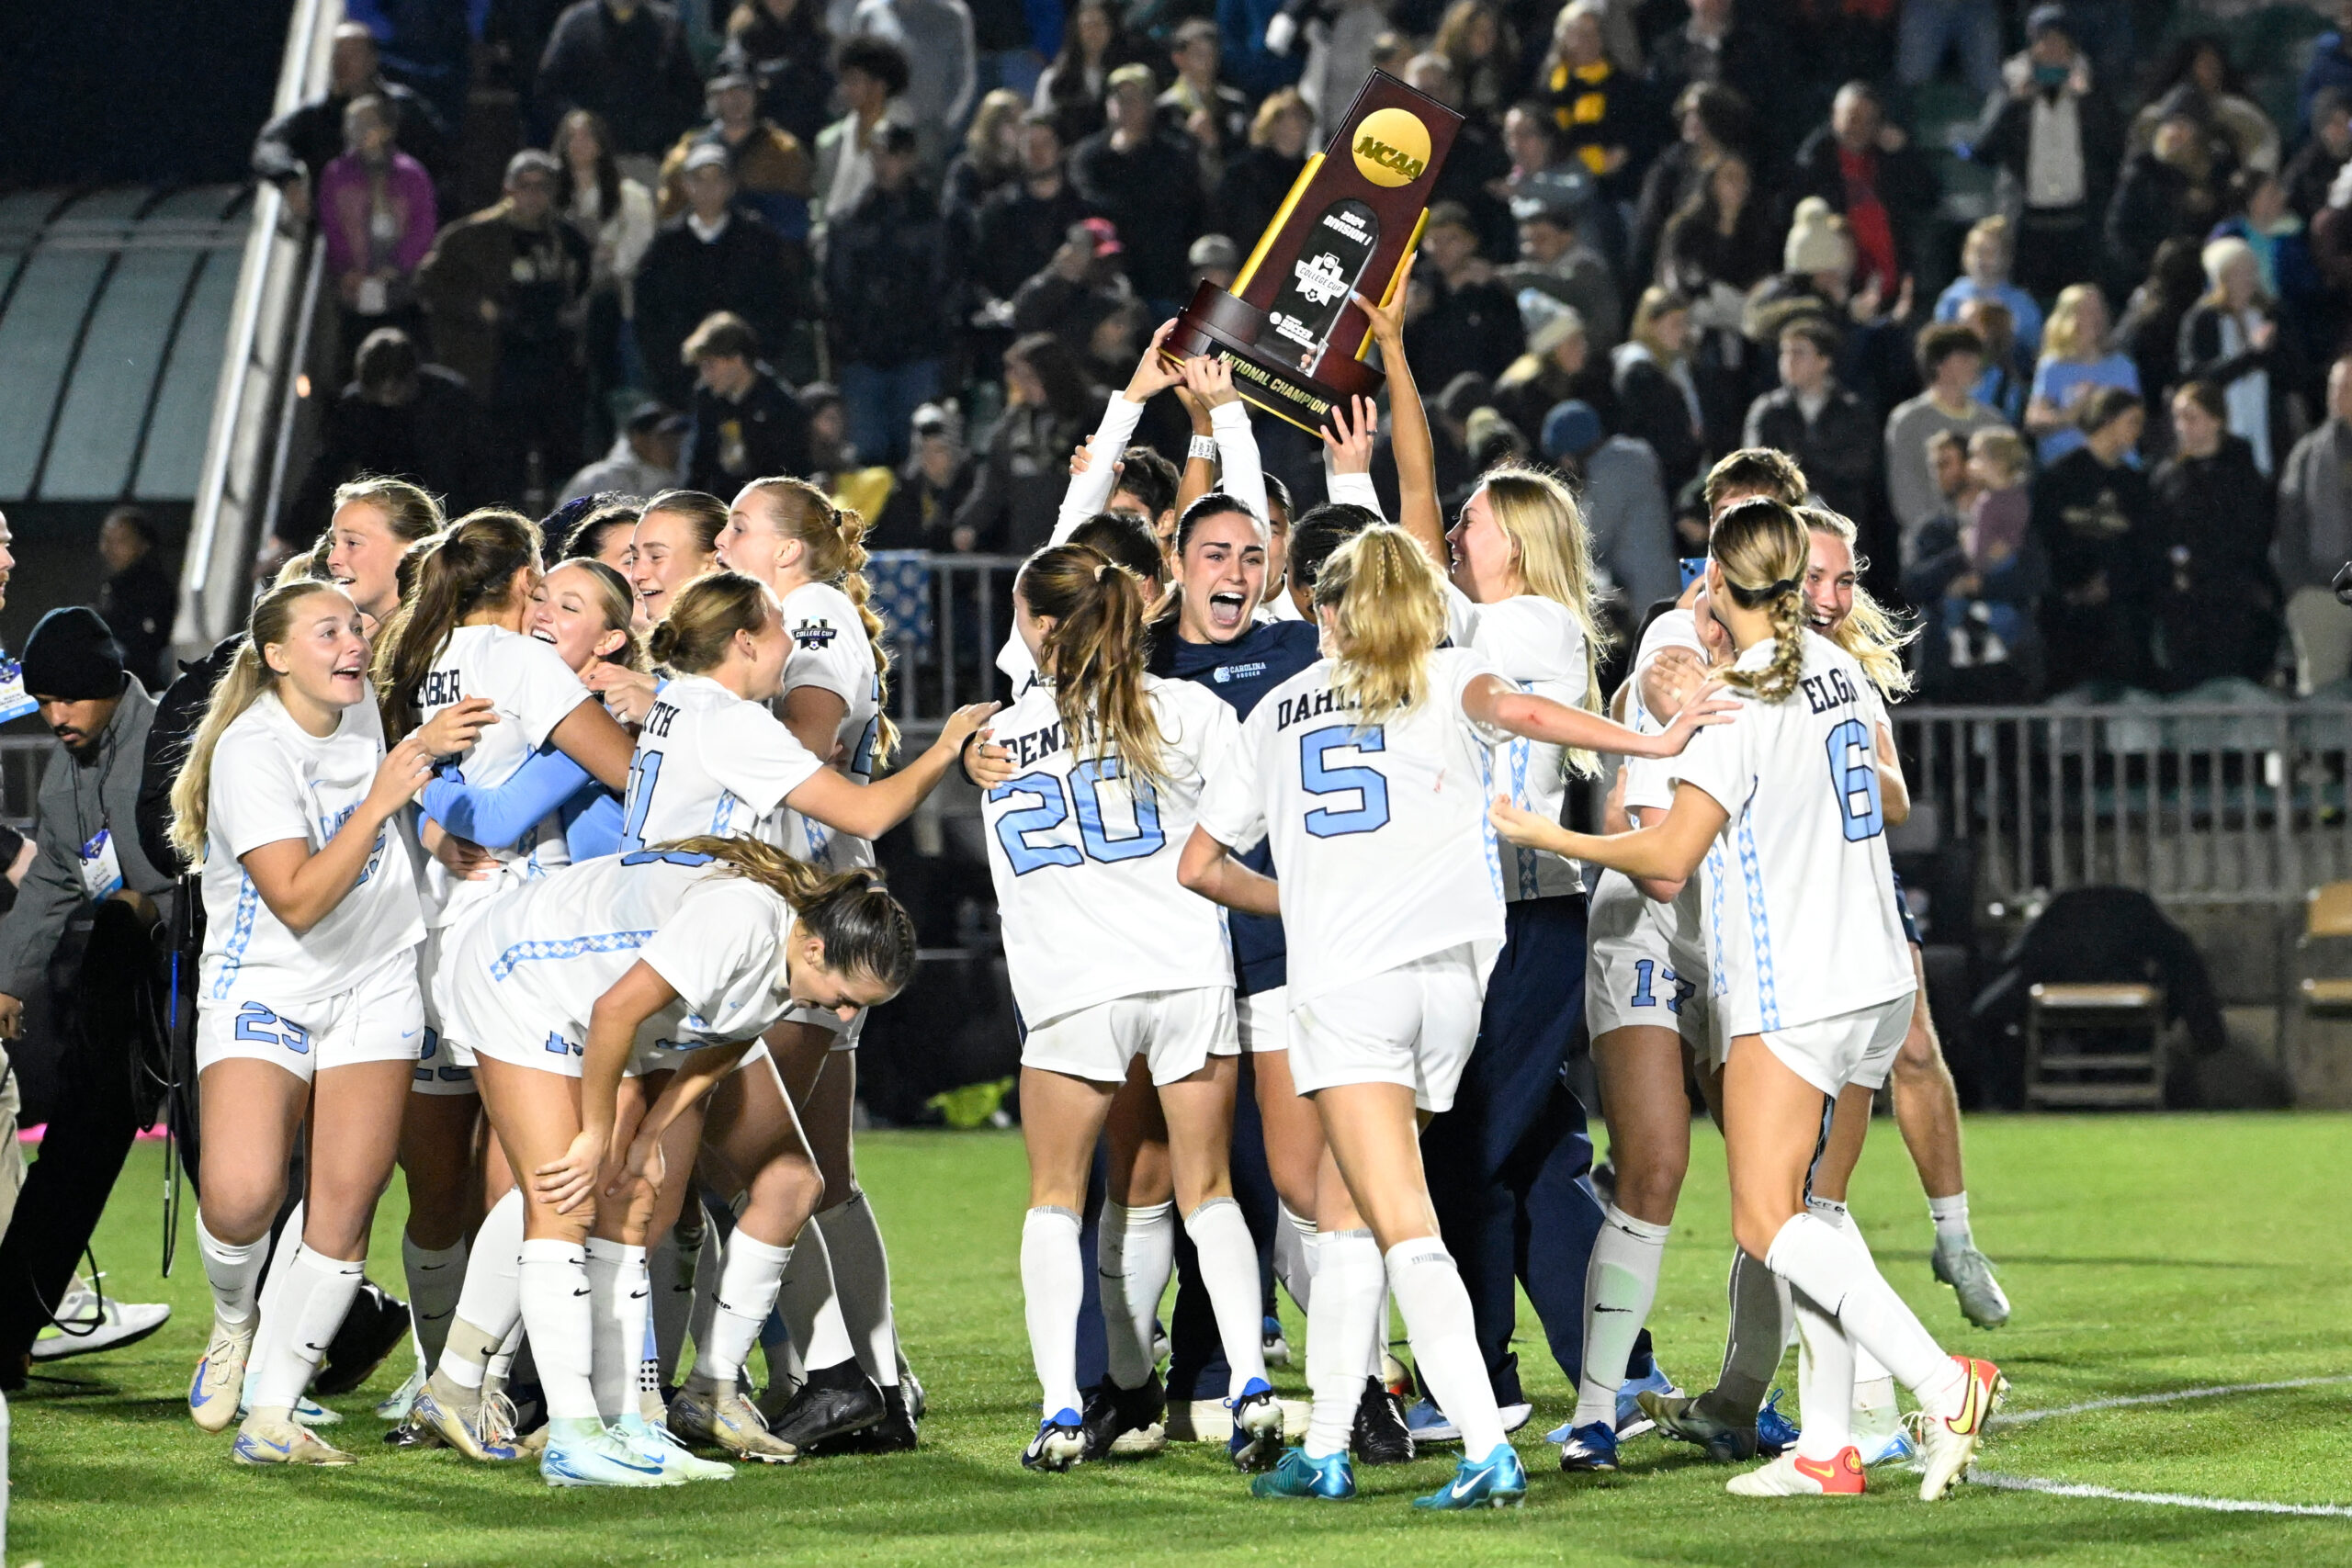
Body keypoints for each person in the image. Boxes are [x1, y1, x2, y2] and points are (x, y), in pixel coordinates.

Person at [1177, 525, 1723, 1510]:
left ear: (1326, 611)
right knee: (1348, 1218)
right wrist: (1651, 740)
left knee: (1398, 1222)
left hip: (1350, 985)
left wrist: (1299, 902)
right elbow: (1528, 711)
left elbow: (1201, 866)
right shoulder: (1451, 671)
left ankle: (1482, 1443)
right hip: (1455, 987)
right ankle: (1330, 1446)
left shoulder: (1277, 708)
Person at [1493, 497, 2005, 1503]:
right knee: (1811, 1210)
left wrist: (1545, 834)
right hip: (1874, 980)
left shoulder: (1739, 698)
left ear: (1721, 586)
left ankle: (1945, 1384)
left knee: (1770, 1221)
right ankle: (1825, 1447)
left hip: (1795, 984)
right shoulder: (1842, 669)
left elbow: (1667, 859)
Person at [435, 837, 922, 1483]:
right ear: (815, 947)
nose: (844, 1012)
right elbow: (614, 1010)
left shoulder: (792, 966)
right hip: (519, 973)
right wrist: (598, 1133)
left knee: (634, 1196)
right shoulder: (742, 922)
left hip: (602, 1003)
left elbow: (722, 1045)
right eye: (845, 993)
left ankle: (627, 1424)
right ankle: (573, 1438)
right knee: (568, 1196)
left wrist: (649, 1136)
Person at [975, 540, 1283, 1474]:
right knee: (1209, 1191)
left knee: (1056, 1201)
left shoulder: (987, 735)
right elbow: (1251, 825)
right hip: (1187, 968)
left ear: (1036, 626)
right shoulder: (1187, 710)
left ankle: (1065, 1409)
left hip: (1071, 987)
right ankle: (1250, 1388)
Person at [169, 581, 439, 1464]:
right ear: (278, 657)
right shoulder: (253, 750)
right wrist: (383, 797)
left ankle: (273, 1413)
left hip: (377, 976)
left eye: (356, 626)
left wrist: (436, 833)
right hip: (266, 980)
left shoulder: (358, 708)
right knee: (242, 1194)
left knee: (344, 1203)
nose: (353, 642)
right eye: (328, 631)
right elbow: (294, 899)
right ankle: (235, 1319)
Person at [707, 479, 924, 1449]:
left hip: (808, 925)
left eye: (740, 528)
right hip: (804, 911)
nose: (724, 538)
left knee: (761, 1159)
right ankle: (876, 1379)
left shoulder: (811, 611)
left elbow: (805, 739)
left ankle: (831, 1371)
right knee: (821, 1171)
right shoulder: (783, 613)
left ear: (790, 553)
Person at [0, 609, 177, 1390]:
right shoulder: (67, 770)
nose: (54, 717)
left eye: (68, 699)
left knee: (236, 1180)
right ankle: (5, 1328)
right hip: (127, 979)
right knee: (74, 1143)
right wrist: (8, 978)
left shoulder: (178, 738)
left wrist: (149, 909)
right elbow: (48, 884)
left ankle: (344, 1322)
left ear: (108, 684)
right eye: (43, 701)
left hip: (214, 980)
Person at [415, 151, 593, 502]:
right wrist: (478, 308)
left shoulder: (567, 238)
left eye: (542, 186)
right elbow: (429, 283)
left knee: (560, 457)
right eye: (524, 185)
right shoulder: (472, 236)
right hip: (497, 363)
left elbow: (583, 286)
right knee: (500, 463)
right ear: (507, 187)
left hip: (553, 359)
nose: (533, 195)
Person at [1965, 6, 2124, 301]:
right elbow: (1983, 151)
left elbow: (2113, 148)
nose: (2050, 48)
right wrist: (2013, 101)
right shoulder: (2010, 88)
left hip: (2078, 224)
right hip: (2027, 228)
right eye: (2043, 40)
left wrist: (2087, 100)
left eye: (2058, 40)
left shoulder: (2094, 89)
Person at [825, 122, 954, 466]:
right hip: (863, 355)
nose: (884, 164)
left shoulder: (933, 219)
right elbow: (837, 288)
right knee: (866, 457)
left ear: (909, 158)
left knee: (917, 454)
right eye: (878, 155)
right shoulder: (851, 219)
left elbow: (944, 285)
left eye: (893, 156)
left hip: (918, 351)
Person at [634, 147, 799, 412]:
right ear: (686, 186)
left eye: (716, 179)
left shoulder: (757, 240)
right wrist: (676, 368)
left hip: (749, 385)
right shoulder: (665, 247)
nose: (708, 188)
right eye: (699, 179)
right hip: (683, 388)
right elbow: (649, 316)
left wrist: (753, 360)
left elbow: (779, 303)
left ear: (731, 185)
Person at [2151, 380, 2282, 688]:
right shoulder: (2168, 475)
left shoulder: (2243, 472)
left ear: (2216, 419)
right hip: (2186, 606)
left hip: (2234, 600)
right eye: (2178, 418)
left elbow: (2256, 530)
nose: (2182, 427)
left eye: (2191, 417)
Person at [252, 21, 453, 220]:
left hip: (401, 222)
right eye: (337, 54)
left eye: (352, 55)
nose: (342, 63)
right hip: (336, 226)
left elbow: (441, 156)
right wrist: (289, 179)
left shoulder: (405, 107)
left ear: (372, 60)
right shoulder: (316, 114)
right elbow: (270, 142)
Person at [2031, 387, 2159, 693]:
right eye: (2132, 421)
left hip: (2121, 623)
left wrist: (2116, 583)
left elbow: (2143, 550)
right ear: (2107, 420)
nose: (2138, 431)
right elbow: (2047, 541)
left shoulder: (2136, 485)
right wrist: (2077, 584)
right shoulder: (2058, 479)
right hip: (2068, 622)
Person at [1906, 428, 2045, 702]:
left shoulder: (2016, 523)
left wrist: (1979, 585)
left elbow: (2036, 577)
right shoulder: (1934, 530)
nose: (1939, 473)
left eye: (1948, 463)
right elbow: (1913, 585)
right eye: (1935, 466)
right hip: (1948, 673)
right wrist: (1962, 553)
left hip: (2011, 670)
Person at [300, 329, 489, 528]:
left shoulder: (450, 400)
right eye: (381, 391)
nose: (389, 397)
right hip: (390, 512)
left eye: (395, 389)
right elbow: (325, 469)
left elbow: (479, 464)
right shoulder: (355, 409)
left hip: (448, 509)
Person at [1069, 65, 1207, 312]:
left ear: (1150, 104)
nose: (1126, 106)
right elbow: (1088, 204)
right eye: (1119, 98)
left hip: (1164, 278)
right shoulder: (1088, 155)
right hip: (1107, 279)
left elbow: (1183, 207)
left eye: (1135, 99)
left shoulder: (1175, 153)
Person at [950, 333, 1100, 555]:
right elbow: (993, 484)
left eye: (1029, 376)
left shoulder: (1095, 413)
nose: (1022, 385)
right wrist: (970, 523)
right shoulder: (1011, 426)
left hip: (1084, 543)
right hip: (1029, 549)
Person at [1788, 82, 1939, 299]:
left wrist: (1904, 155)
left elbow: (1929, 196)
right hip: (1839, 288)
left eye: (1870, 122)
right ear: (1834, 116)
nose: (1860, 128)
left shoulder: (1888, 158)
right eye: (1853, 118)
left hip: (1893, 288)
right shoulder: (1815, 162)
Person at [317, 96, 437, 356]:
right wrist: (347, 268)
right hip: (357, 281)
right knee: (361, 341)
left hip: (401, 280)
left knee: (401, 342)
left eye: (368, 123)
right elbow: (331, 225)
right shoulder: (336, 174)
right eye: (353, 123)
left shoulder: (411, 174)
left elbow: (423, 226)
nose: (360, 130)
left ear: (387, 129)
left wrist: (398, 265)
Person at [1540, 400, 1678, 614]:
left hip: (1640, 596)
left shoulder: (1606, 473)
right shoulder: (1637, 454)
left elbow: (1591, 538)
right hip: (1665, 582)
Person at [1883, 325, 2007, 558]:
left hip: (1990, 544)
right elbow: (1906, 490)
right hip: (1930, 547)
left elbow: (2007, 482)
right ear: (1938, 365)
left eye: (1975, 356)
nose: (1975, 364)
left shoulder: (1993, 421)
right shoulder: (1909, 420)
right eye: (1963, 357)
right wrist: (1943, 534)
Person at [1742, 319, 1875, 531]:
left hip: (1840, 523)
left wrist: (1798, 462)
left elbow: (1856, 467)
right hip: (1783, 526)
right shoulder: (1768, 412)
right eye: (1785, 353)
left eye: (1799, 353)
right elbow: (1758, 469)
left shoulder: (1852, 411)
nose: (1789, 361)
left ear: (1824, 361)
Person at [2178, 236, 2294, 478]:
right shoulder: (2203, 319)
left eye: (2251, 271)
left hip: (2269, 427)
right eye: (2239, 273)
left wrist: (2271, 352)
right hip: (2224, 431)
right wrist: (2251, 354)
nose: (2248, 279)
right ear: (2221, 278)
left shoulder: (2269, 313)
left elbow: (2293, 372)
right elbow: (2199, 377)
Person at [534, 0, 704, 160]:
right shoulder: (576, 24)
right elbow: (550, 88)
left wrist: (662, 135)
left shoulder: (667, 25)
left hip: (649, 158)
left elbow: (689, 92)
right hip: (588, 162)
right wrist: (582, 130)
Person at [656, 71, 814, 243]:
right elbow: (669, 212)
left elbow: (797, 217)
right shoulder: (687, 152)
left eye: (743, 90)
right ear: (713, 98)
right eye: (726, 93)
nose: (736, 99)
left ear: (756, 95)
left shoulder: (785, 151)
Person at [2278, 354, 2352, 693]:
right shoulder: (2307, 453)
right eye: (2335, 387)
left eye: (2348, 387)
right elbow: (2290, 524)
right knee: (2323, 698)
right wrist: (2300, 591)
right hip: (2323, 593)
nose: (2339, 396)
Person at [681, 313, 810, 495]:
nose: (705, 376)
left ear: (737, 359)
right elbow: (700, 464)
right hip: (722, 505)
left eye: (710, 365)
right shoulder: (708, 399)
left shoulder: (780, 405)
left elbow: (791, 474)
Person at [846, 0, 976, 168]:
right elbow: (857, 72)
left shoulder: (952, 14)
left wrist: (943, 122)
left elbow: (963, 76)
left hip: (930, 132)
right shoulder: (869, 13)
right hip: (879, 130)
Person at [1499, 187, 1622, 355]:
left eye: (1541, 239)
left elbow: (1564, 288)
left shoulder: (1586, 267)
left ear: (1566, 237)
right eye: (1527, 241)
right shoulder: (1535, 269)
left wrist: (1517, 277)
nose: (1530, 248)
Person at [813, 37, 919, 229]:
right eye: (844, 80)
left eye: (853, 81)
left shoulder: (909, 137)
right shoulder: (830, 141)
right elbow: (822, 200)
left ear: (880, 85)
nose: (845, 89)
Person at [2027, 284, 2139, 465]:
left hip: (2116, 462)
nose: (2093, 318)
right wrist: (2072, 415)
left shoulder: (2122, 365)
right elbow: (2035, 419)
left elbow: (2134, 418)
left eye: (2098, 310)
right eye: (2084, 311)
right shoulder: (2053, 366)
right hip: (2064, 463)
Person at [1612, 288, 1705, 502]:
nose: (1683, 332)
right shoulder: (1639, 372)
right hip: (1656, 482)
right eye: (1675, 324)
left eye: (1685, 323)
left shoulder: (1677, 365)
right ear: (1651, 324)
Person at [322, 475, 447, 629]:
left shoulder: (448, 646)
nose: (332, 559)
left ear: (410, 551)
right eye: (333, 544)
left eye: (352, 543)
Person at [721, 0, 839, 148]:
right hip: (759, 138)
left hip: (809, 132)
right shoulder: (744, 34)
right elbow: (736, 80)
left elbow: (828, 85)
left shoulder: (817, 34)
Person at [1932, 217, 2044, 358]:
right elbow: (1941, 349)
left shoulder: (2021, 302)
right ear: (1965, 255)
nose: (1981, 259)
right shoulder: (1952, 298)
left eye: (1990, 253)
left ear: (2005, 258)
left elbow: (2035, 350)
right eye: (1976, 252)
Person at [1215, 89, 1311, 244]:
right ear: (1271, 125)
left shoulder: (1312, 174)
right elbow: (1224, 218)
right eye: (1288, 120)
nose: (1297, 127)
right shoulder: (1243, 171)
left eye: (1303, 120)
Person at [94, 507, 175, 690]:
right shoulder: (110, 587)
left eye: (121, 541)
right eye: (106, 539)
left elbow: (145, 645)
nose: (109, 548)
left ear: (143, 546)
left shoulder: (151, 589)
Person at [562, 404, 688, 504]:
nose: (674, 446)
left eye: (677, 439)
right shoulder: (599, 480)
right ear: (639, 439)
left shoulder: (682, 482)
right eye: (664, 439)